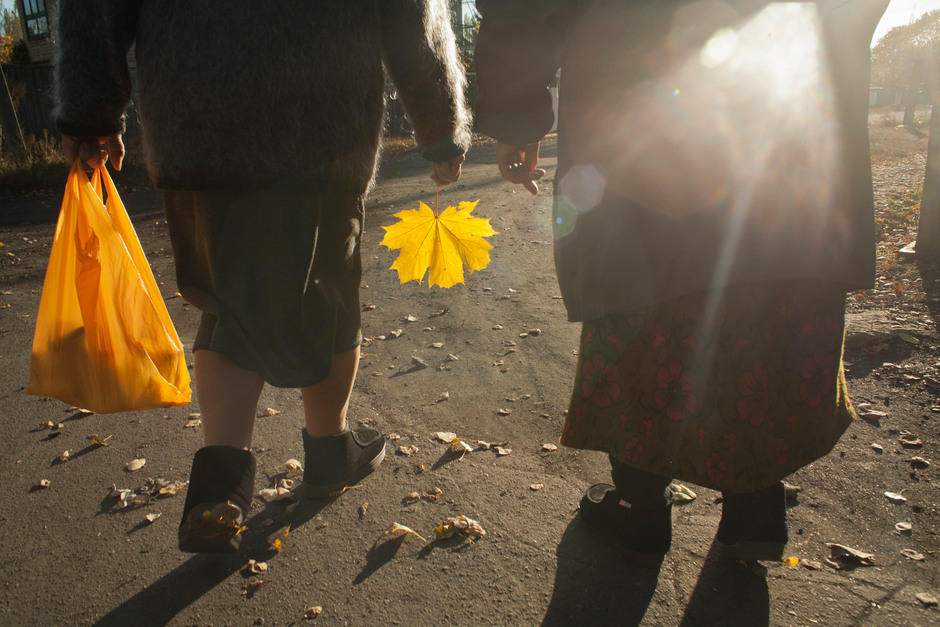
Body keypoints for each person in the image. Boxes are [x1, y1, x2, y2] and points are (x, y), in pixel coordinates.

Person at [474, 0, 888, 562]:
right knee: (766, 278)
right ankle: (755, 507)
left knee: (649, 295)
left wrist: (516, 114)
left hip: (641, 79)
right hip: (786, 81)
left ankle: (640, 507)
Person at [55, 1, 471, 553]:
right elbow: (414, 13)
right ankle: (330, 450)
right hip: (319, 122)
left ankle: (219, 486)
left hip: (195, 118)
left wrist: (89, 112)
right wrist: (441, 127)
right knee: (327, 296)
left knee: (226, 304)